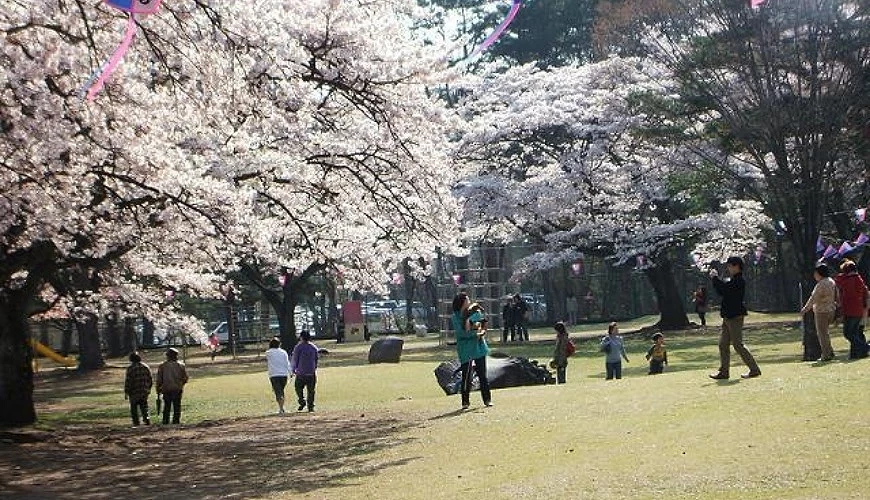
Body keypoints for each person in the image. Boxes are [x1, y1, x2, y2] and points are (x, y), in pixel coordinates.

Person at [709, 256, 761, 379]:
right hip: (728, 316)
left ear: (736, 266)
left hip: (735, 317)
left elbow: (725, 290)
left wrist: (715, 278)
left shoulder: (739, 280)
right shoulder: (733, 280)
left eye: (730, 266)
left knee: (737, 344)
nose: (728, 268)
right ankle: (724, 372)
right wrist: (715, 280)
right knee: (723, 344)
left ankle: (754, 369)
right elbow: (722, 291)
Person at [452, 292, 492, 409]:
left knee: (482, 375)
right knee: (467, 376)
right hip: (466, 349)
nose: (469, 302)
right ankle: (465, 401)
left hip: (479, 347)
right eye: (467, 300)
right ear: (462, 302)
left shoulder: (475, 312)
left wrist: (482, 330)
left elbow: (483, 323)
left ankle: (487, 399)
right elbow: (461, 333)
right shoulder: (455, 316)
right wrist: (474, 333)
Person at [801, 263, 838, 362]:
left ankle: (826, 355)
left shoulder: (821, 284)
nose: (814, 275)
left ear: (819, 273)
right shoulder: (831, 281)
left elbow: (814, 298)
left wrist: (805, 308)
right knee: (826, 333)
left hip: (822, 311)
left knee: (822, 334)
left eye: (815, 273)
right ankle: (829, 351)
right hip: (831, 309)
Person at [834, 259, 869, 359]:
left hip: (850, 310)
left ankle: (865, 347)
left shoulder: (848, 280)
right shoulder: (859, 279)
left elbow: (839, 282)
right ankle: (855, 354)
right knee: (854, 333)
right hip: (859, 310)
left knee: (848, 334)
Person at [156, 347, 189, 424]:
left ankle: (165, 421)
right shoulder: (181, 365)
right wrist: (181, 384)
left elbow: (159, 379)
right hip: (177, 388)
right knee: (177, 406)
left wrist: (158, 388)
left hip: (166, 389)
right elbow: (185, 378)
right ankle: (176, 421)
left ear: (168, 356)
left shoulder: (162, 366)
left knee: (167, 406)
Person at [290, 330, 319, 412]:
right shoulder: (313, 347)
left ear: (301, 337)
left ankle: (302, 401)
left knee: (298, 388)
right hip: (311, 372)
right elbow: (316, 359)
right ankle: (310, 406)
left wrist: (293, 369)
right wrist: (314, 367)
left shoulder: (298, 347)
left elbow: (295, 359)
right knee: (311, 390)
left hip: (301, 372)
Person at [124, 352, 153, 426]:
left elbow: (128, 381)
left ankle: (136, 422)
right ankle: (147, 420)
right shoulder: (145, 367)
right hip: (144, 390)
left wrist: (127, 391)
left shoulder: (131, 368)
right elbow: (150, 379)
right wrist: (148, 388)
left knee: (134, 408)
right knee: (144, 407)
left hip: (134, 391)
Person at [265, 337, 291, 414]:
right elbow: (287, 363)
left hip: (274, 375)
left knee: (278, 392)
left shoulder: (268, 352)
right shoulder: (283, 352)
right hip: (284, 374)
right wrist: (290, 372)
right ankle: (282, 408)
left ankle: (281, 408)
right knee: (281, 391)